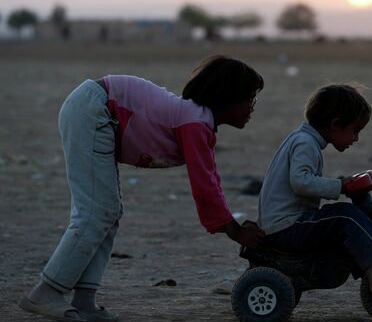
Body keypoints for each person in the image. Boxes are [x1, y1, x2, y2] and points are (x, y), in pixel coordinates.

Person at [19, 55, 266, 322]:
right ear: (228, 98)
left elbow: (211, 176)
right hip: (93, 109)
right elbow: (204, 185)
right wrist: (235, 230)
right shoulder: (194, 123)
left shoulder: (199, 122)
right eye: (249, 99)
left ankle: (84, 300)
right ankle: (46, 292)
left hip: (95, 111)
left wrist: (231, 225)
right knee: (96, 213)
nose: (252, 107)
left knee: (107, 213)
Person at [257, 84, 372, 297]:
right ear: (336, 124)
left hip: (286, 223)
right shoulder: (305, 143)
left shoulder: (303, 139)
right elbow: (301, 182)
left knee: (342, 216)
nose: (356, 138)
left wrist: (342, 184)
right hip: (287, 226)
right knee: (345, 217)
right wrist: (340, 186)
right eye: (355, 131)